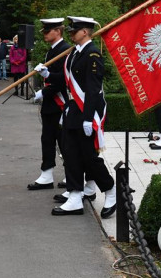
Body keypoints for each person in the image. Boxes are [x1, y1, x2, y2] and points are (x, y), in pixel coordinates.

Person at [38, 16, 116, 218]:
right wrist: (48, 75)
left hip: (86, 110)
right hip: (73, 108)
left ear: (85, 32)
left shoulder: (92, 55)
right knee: (71, 155)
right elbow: (66, 81)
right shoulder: (75, 53)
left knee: (89, 157)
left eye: (75, 30)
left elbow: (92, 89)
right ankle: (74, 195)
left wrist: (89, 118)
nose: (71, 33)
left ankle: (111, 190)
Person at [29, 18, 70, 190]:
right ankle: (46, 174)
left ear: (58, 31)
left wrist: (43, 91)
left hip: (59, 102)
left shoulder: (65, 50)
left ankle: (71, 175)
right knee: (47, 139)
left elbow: (63, 81)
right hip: (50, 104)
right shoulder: (52, 51)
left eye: (47, 31)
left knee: (64, 141)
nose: (45, 34)